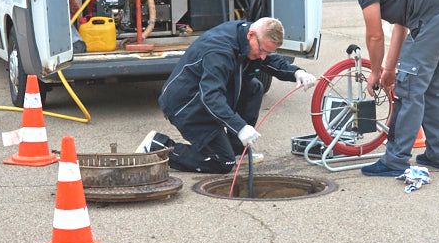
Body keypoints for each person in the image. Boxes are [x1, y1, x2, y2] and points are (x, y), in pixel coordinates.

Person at [135, 17, 316, 173]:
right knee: (223, 162)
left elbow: (270, 60)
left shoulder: (249, 36)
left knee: (254, 87)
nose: (263, 57)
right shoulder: (219, 52)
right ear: (251, 35)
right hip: (187, 104)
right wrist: (240, 127)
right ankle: (157, 147)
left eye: (268, 52)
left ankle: (237, 150)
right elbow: (210, 98)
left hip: (204, 97)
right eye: (262, 50)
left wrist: (296, 73)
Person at [322, 0, 439, 176]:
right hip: (435, 19)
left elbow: (375, 34)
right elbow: (401, 26)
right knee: (432, 90)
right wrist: (388, 68)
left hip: (431, 20)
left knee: (408, 91)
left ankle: (395, 160)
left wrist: (375, 73)